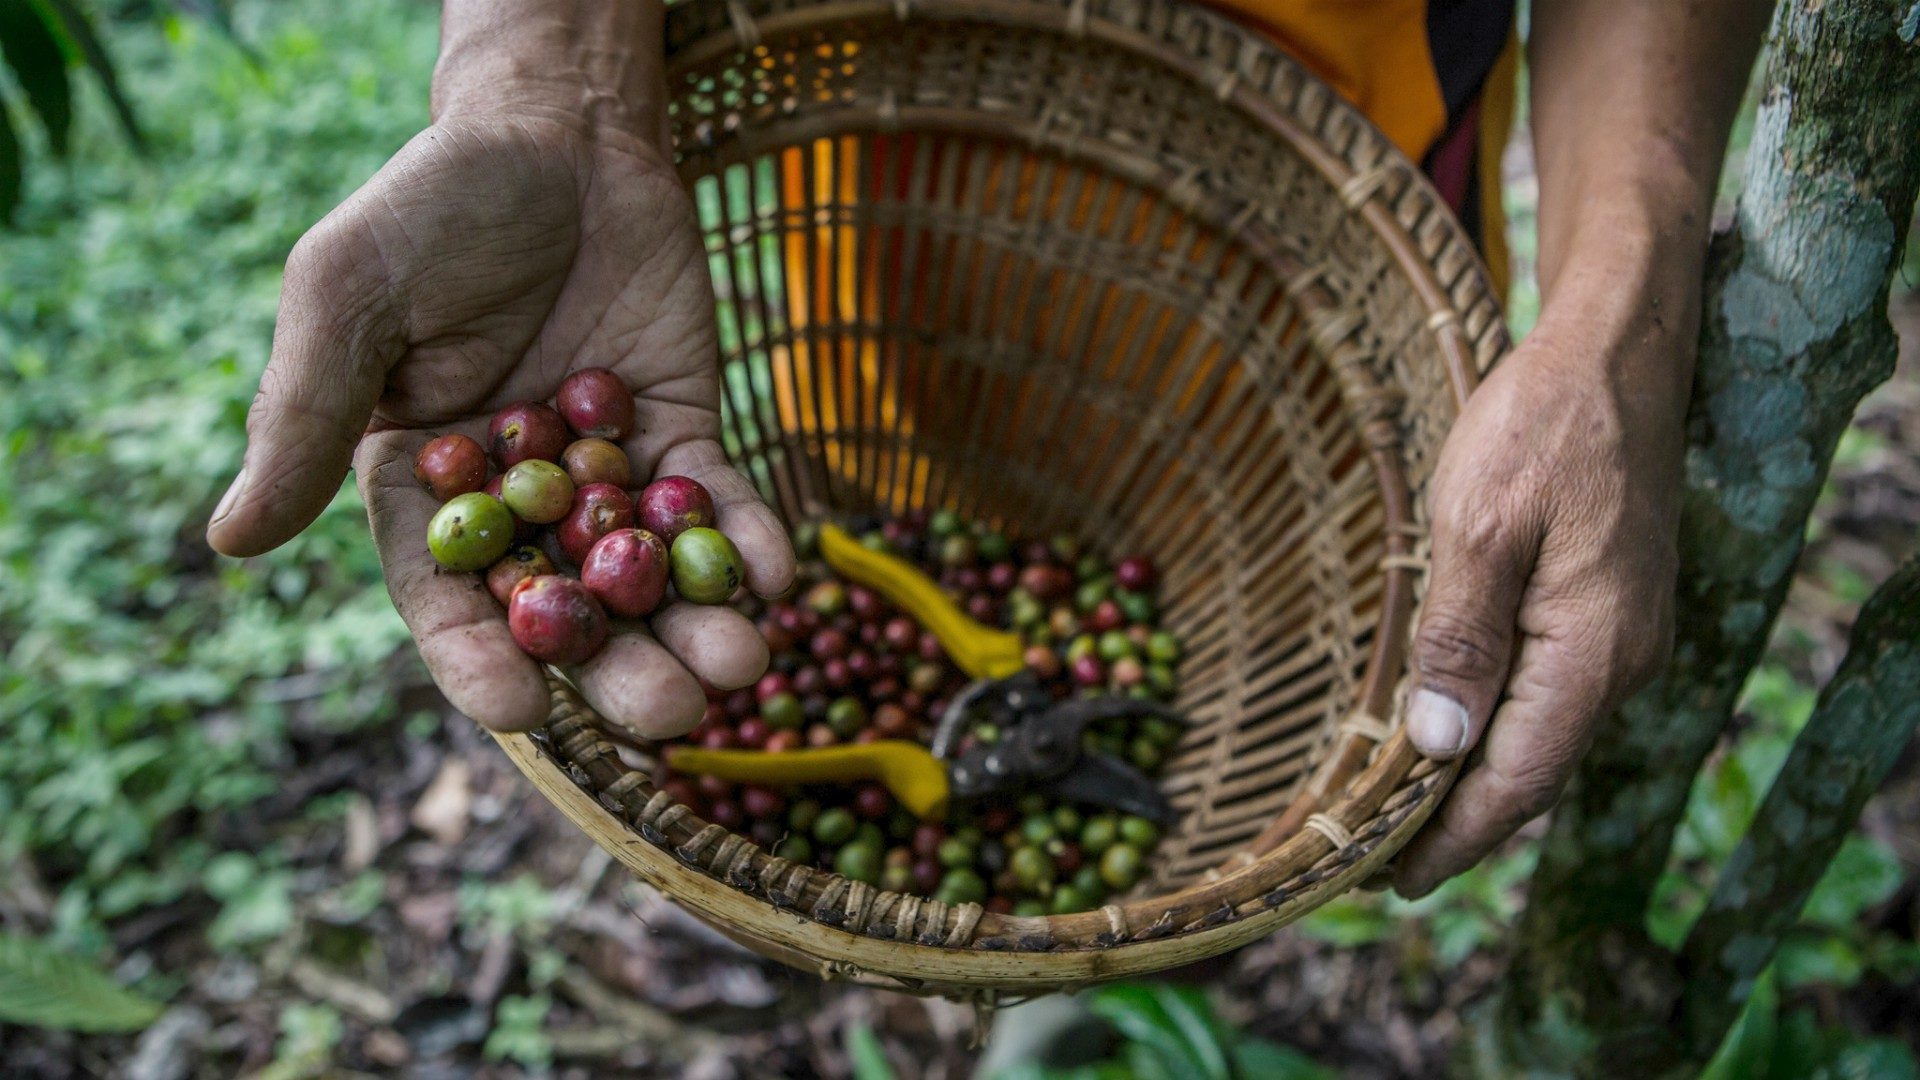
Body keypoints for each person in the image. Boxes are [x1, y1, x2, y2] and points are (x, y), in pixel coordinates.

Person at [206, 0, 1774, 898]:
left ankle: (1086, 985)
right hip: (874, 172)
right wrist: (548, 87)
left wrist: (1622, 317)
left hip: (1326, 161)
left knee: (1280, 671)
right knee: (856, 503)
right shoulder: (668, 408)